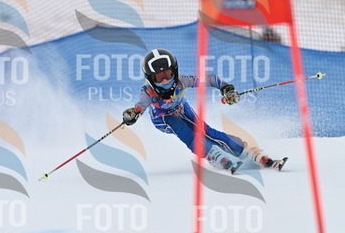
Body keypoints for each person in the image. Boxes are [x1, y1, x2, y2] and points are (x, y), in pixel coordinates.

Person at [122, 48, 286, 173]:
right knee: (185, 131)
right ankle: (214, 155)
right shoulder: (148, 91)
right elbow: (139, 107)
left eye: (168, 74)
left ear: (175, 71)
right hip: (163, 119)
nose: (165, 80)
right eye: (159, 77)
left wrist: (226, 89)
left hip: (182, 109)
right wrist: (132, 115)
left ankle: (248, 153)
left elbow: (211, 80)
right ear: (151, 78)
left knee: (207, 132)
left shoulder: (181, 81)